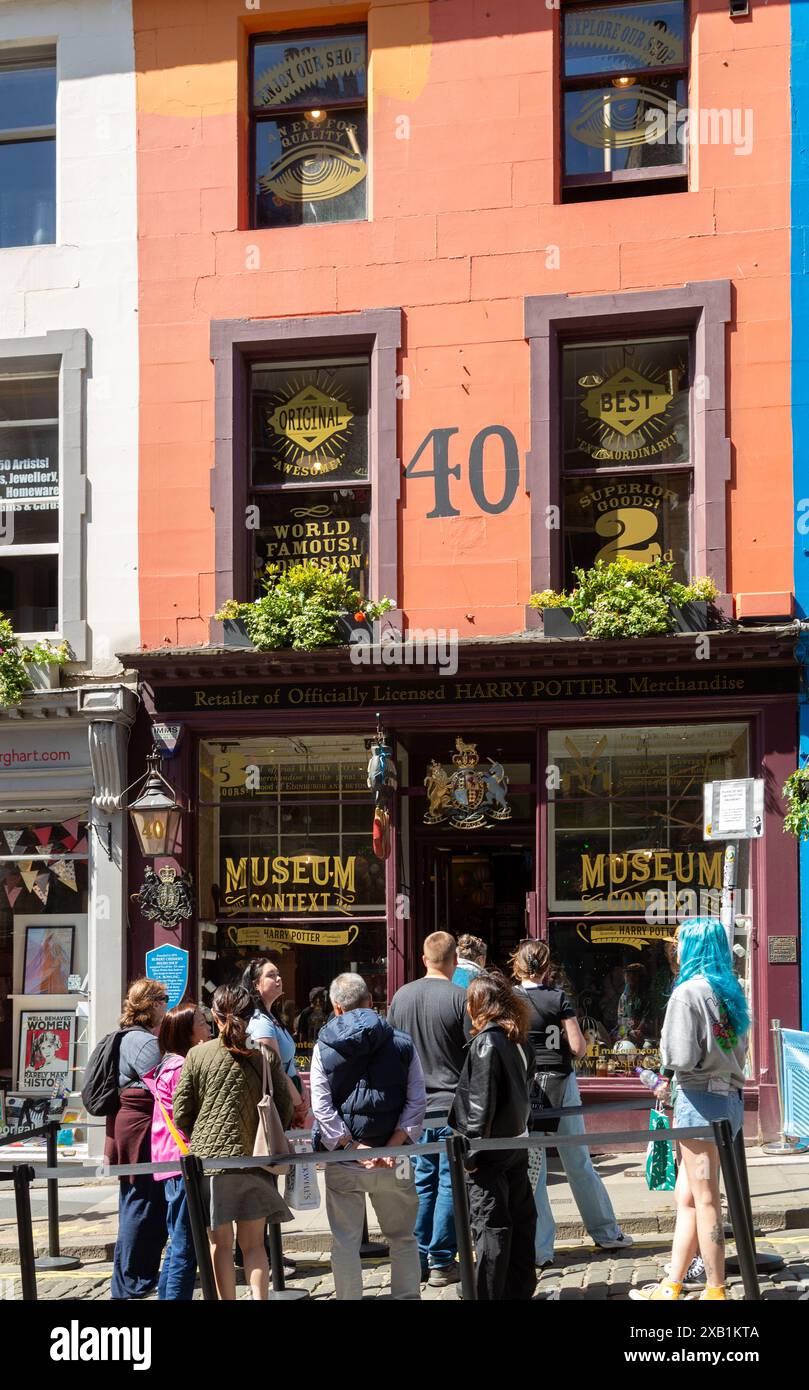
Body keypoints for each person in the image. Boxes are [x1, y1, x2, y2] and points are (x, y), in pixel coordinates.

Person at [630, 916, 750, 1303]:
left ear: (693, 947)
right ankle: (674, 1283)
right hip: (725, 1099)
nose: (676, 948)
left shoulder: (688, 993)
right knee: (688, 1198)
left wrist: (663, 1061)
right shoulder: (729, 990)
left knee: (705, 1199)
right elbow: (740, 1050)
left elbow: (679, 1055)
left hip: (698, 1101)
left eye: (680, 940)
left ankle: (716, 1288)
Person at [511, 940, 632, 1267]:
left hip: (526, 1088)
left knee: (533, 1170)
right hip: (561, 1085)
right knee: (578, 1162)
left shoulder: (510, 999)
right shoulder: (557, 998)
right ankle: (606, 1233)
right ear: (546, 966)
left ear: (517, 965)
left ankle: (540, 1249)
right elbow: (579, 1047)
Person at [173, 984, 293, 1300]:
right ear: (250, 1015)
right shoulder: (265, 1055)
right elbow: (284, 1108)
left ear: (214, 1015)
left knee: (219, 1245)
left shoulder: (197, 1055)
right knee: (254, 1245)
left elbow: (181, 1113)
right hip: (256, 1160)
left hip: (210, 1165)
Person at [311, 972, 426, 1301]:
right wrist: (392, 1145)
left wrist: (351, 1146)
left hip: (343, 1160)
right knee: (403, 1237)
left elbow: (321, 1106)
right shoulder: (401, 1042)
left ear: (336, 1008)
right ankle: (406, 1296)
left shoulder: (324, 1047)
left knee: (344, 1241)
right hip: (393, 1159)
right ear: (370, 1003)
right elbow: (417, 1100)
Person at [387, 930, 469, 1287]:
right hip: (452, 1105)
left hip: (415, 1111)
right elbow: (473, 1054)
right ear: (454, 960)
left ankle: (419, 1256)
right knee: (450, 1183)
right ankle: (440, 1259)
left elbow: (390, 1055)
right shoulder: (460, 998)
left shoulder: (401, 997)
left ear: (424, 959)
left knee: (423, 1183)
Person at [449, 971, 536, 1301]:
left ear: (478, 1005)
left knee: (492, 1229)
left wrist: (471, 1157)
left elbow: (480, 1104)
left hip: (492, 1151)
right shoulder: (517, 1037)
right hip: (515, 1142)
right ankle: (517, 1291)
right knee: (519, 1221)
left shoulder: (488, 1041)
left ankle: (489, 1294)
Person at [143, 1002, 211, 1300]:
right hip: (183, 1161)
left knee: (179, 1243)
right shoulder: (182, 1067)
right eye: (201, 1022)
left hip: (170, 1161)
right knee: (186, 1245)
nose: (208, 1026)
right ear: (188, 1033)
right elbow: (189, 1117)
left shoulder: (168, 1065)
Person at [107, 978, 169, 1300]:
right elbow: (164, 1087)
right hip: (141, 1130)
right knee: (141, 1204)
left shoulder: (131, 1037)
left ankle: (131, 1279)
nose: (167, 1005)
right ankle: (133, 1281)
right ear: (153, 1004)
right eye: (164, 999)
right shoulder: (143, 1043)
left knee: (136, 1203)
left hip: (132, 1129)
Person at [242, 957, 308, 1127]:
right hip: (281, 1103)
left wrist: (302, 1088)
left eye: (278, 974)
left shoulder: (272, 1018)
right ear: (257, 984)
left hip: (290, 1099)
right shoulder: (261, 1023)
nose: (279, 978)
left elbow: (288, 1063)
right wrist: (298, 1104)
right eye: (271, 975)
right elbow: (275, 1070)